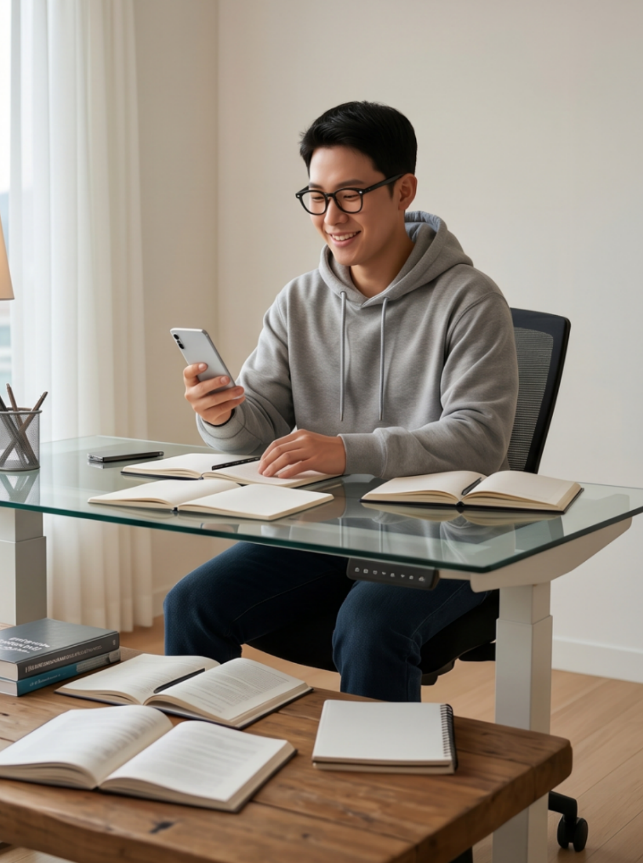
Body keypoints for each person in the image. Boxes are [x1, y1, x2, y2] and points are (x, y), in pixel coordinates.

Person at [164, 101, 518, 702]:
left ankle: (377, 792)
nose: (331, 216)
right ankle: (200, 766)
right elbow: (262, 432)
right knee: (192, 602)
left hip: (442, 535)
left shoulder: (471, 299)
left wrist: (344, 451)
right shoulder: (299, 300)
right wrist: (222, 414)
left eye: (351, 194)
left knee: (369, 624)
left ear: (403, 190)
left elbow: (479, 439)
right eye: (317, 196)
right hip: (324, 529)